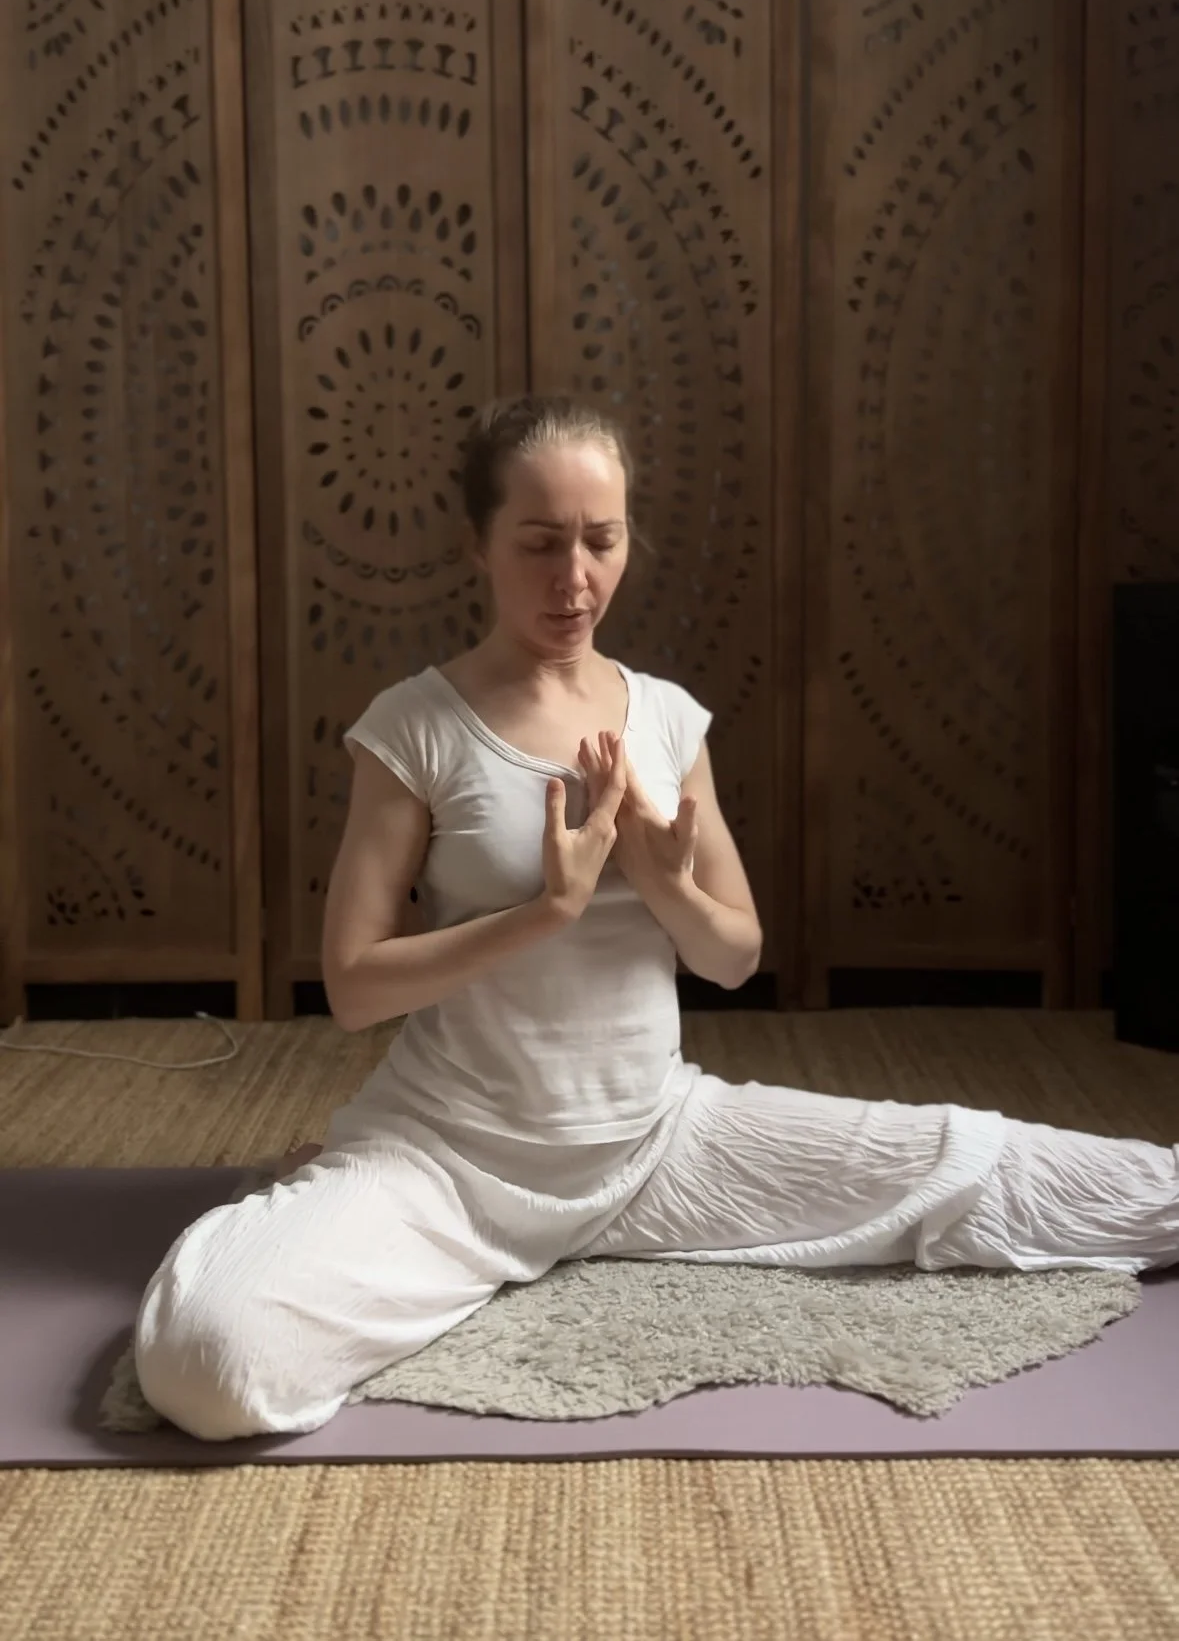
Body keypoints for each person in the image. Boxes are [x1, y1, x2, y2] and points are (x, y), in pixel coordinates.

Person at [135, 394, 1179, 1442]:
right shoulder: (415, 726)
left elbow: (735, 955)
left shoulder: (668, 718)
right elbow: (356, 986)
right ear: (478, 545)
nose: (574, 577)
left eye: (602, 539)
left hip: (656, 1142)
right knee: (208, 1362)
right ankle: (314, 1211)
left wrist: (666, 882)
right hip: (448, 1159)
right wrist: (549, 908)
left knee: (969, 1160)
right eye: (540, 543)